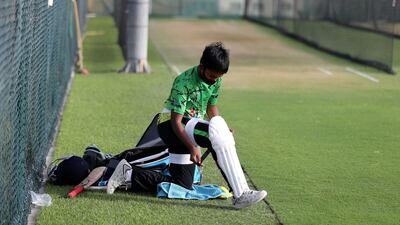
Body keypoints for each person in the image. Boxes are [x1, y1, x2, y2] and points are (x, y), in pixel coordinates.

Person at [107, 42, 267, 209]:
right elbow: (176, 122)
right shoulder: (183, 82)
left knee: (182, 185)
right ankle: (241, 193)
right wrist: (192, 147)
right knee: (218, 135)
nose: (214, 81)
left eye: (218, 78)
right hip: (169, 125)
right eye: (212, 76)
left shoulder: (216, 80)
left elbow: (211, 106)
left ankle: (128, 173)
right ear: (201, 67)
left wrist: (221, 128)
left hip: (188, 126)